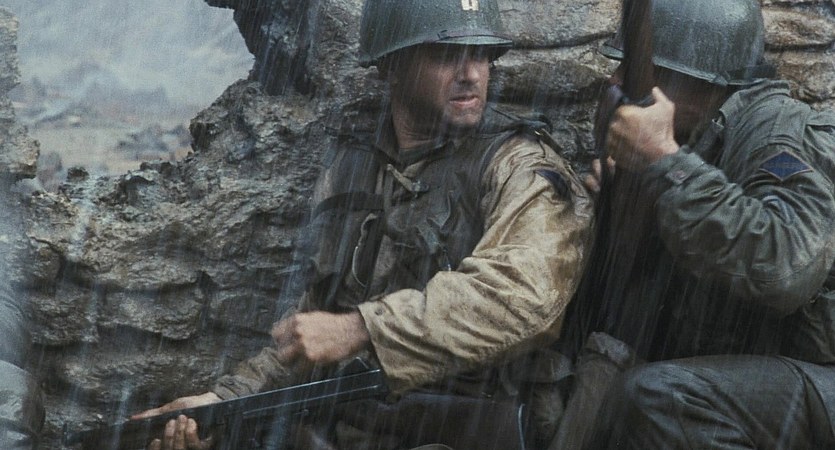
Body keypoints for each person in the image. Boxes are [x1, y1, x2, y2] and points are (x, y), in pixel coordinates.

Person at [134, 0, 593, 448]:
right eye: (446, 54)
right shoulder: (354, 169)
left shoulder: (518, 167)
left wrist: (362, 330)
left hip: (467, 426)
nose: (471, 73)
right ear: (392, 66)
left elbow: (523, 297)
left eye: (481, 54)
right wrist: (223, 404)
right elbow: (313, 329)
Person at [558, 0, 835, 448]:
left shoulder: (779, 132)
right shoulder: (703, 138)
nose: (616, 80)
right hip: (764, 381)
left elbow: (784, 269)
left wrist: (665, 164)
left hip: (821, 381)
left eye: (643, 69)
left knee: (661, 397)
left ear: (698, 79)